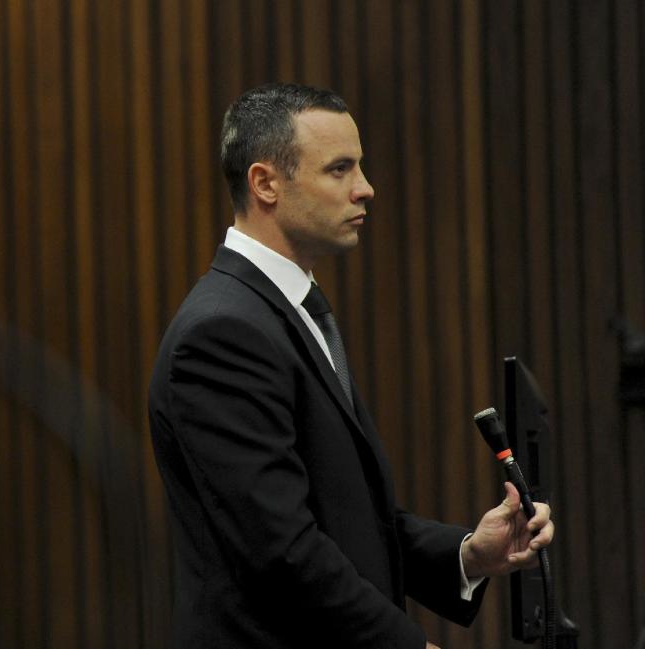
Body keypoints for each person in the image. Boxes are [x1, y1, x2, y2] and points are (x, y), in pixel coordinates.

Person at [147, 83, 554, 648]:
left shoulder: (284, 310)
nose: (366, 189)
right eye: (339, 170)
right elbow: (282, 551)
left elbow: (345, 518)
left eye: (359, 167)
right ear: (265, 183)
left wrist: (468, 554)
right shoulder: (224, 334)